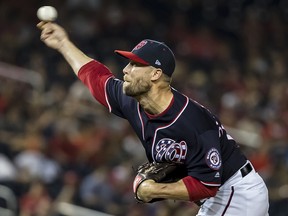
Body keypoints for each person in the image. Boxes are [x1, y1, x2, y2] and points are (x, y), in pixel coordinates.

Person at [37, 21, 269, 216]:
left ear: (156, 74)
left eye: (135, 64)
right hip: (222, 196)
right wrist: (63, 44)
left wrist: (153, 190)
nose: (125, 70)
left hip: (237, 193)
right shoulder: (132, 101)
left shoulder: (192, 121)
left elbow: (207, 185)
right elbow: (94, 76)